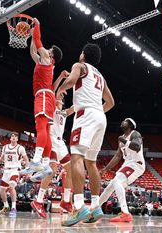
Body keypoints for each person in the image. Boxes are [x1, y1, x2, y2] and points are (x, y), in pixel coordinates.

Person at [57, 43, 115, 226]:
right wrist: (93, 111)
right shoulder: (100, 76)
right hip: (100, 117)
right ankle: (96, 206)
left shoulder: (79, 65)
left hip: (87, 116)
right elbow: (111, 102)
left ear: (83, 55)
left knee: (76, 158)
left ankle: (79, 206)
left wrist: (59, 89)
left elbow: (72, 81)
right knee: (91, 162)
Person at [24, 17, 63, 182]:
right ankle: (46, 164)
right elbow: (33, 51)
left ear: (51, 54)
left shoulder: (47, 58)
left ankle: (36, 161)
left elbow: (38, 41)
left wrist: (37, 25)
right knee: (45, 130)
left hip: (44, 95)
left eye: (49, 49)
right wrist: (32, 34)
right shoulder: (44, 61)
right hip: (47, 96)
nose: (46, 49)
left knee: (40, 127)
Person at [31, 73, 74, 218]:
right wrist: (62, 79)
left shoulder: (64, 112)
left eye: (62, 98)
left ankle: (66, 201)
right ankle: (38, 200)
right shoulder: (53, 108)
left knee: (71, 169)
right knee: (53, 168)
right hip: (51, 140)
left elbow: (76, 107)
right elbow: (55, 91)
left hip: (61, 142)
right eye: (59, 97)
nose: (60, 99)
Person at [97, 118, 145, 222]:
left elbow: (137, 146)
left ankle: (125, 213)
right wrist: (105, 169)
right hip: (127, 164)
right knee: (110, 187)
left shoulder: (135, 134)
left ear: (130, 125)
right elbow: (117, 156)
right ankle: (95, 209)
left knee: (117, 182)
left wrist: (125, 141)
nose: (123, 121)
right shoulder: (121, 138)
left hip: (136, 164)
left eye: (125, 121)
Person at [0, 132, 28, 217]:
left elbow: (26, 159)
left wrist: (28, 171)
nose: (13, 137)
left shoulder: (20, 148)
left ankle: (14, 208)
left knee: (11, 186)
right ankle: (6, 206)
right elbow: (2, 156)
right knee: (2, 190)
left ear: (17, 139)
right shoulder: (5, 147)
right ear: (10, 138)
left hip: (15, 170)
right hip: (6, 170)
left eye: (15, 136)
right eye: (12, 136)